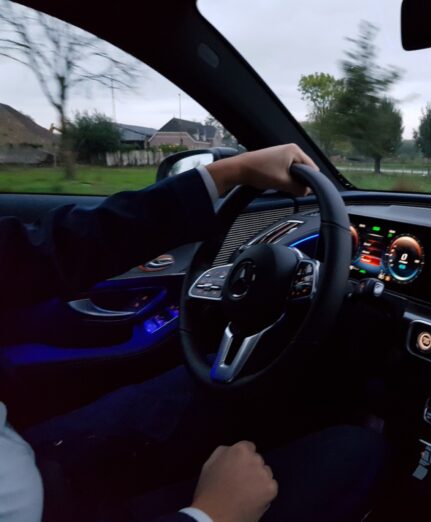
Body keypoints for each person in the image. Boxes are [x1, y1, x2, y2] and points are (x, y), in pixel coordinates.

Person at [0, 144, 386, 522]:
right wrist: (212, 513)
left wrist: (228, 173)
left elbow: (48, 250)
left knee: (210, 382)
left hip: (32, 456)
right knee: (357, 450)